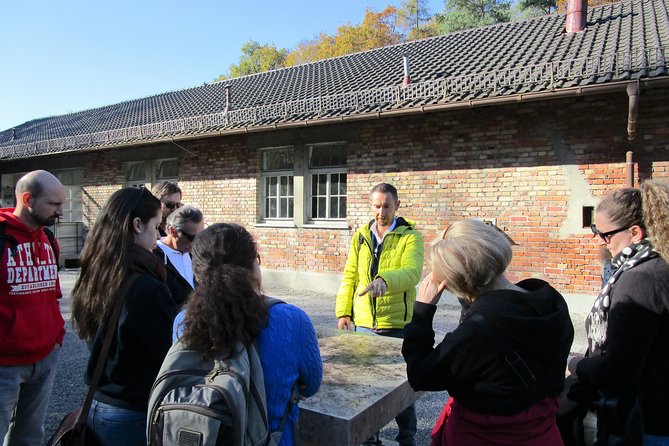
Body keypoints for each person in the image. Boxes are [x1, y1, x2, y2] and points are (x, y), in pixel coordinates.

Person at [402, 218, 574, 446]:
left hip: (486, 436)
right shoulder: (548, 300)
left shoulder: (481, 328)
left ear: (456, 283)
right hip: (543, 434)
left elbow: (422, 375)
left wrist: (423, 310)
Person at [173, 223, 322, 446]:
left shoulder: (184, 320)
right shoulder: (292, 319)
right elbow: (311, 385)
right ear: (253, 266)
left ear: (198, 273)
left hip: (205, 436)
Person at [71, 187, 178, 446]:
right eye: (157, 225)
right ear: (138, 225)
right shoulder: (144, 286)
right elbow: (169, 352)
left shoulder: (98, 272)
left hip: (98, 402)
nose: (159, 235)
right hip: (132, 411)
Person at [566, 181, 669, 445]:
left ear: (635, 232)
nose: (599, 241)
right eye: (595, 231)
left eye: (606, 235)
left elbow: (618, 371)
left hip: (646, 421)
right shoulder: (658, 264)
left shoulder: (641, 279)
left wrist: (575, 364)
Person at [335, 182, 424, 446]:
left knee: (400, 391)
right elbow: (350, 275)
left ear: (397, 205)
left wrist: (385, 280)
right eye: (376, 205)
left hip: (397, 324)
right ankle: (369, 438)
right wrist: (343, 312)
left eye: (386, 205)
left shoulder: (410, 236)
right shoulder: (361, 236)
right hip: (363, 325)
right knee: (365, 390)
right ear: (370, 205)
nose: (381, 211)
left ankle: (406, 439)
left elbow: (412, 272)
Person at [0, 170, 65, 445]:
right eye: (54, 204)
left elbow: (52, 294)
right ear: (27, 199)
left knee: (29, 438)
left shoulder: (48, 239)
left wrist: (56, 337)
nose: (61, 211)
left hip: (44, 357)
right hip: (4, 364)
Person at [153, 205, 204, 306]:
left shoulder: (196, 256)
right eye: (191, 237)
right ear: (172, 231)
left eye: (201, 236)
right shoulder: (154, 256)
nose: (196, 243)